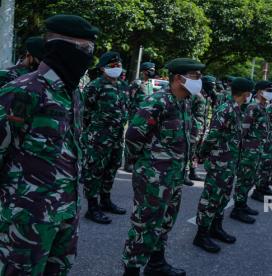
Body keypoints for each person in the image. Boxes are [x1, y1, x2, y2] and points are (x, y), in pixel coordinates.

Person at [0, 14, 98, 275]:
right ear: (60, 47)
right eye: (85, 49)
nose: (90, 57)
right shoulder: (23, 90)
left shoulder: (73, 93)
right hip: (26, 217)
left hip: (65, 212)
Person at [122, 58, 205, 276]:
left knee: (166, 221)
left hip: (174, 176)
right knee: (144, 225)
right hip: (153, 177)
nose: (200, 81)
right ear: (178, 78)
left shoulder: (184, 103)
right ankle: (131, 271)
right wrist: (144, 164)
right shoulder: (158, 102)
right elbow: (133, 136)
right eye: (196, 76)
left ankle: (156, 264)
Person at [193, 77, 253, 254]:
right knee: (211, 197)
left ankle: (216, 227)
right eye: (250, 93)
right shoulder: (226, 109)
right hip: (219, 161)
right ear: (245, 93)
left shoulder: (237, 108)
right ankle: (201, 234)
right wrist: (202, 154)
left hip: (229, 161)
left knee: (223, 196)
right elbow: (213, 135)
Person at [81, 51, 129, 224]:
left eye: (118, 65)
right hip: (98, 136)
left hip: (117, 136)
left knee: (112, 167)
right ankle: (92, 207)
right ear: (102, 68)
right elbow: (84, 113)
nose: (116, 68)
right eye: (112, 65)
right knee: (95, 170)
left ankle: (105, 200)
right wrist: (89, 133)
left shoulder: (123, 86)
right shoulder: (95, 86)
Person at [231, 80, 272, 224]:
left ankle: (242, 205)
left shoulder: (263, 107)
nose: (270, 92)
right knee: (243, 180)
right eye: (268, 90)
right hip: (249, 151)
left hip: (258, 151)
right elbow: (243, 130)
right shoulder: (252, 107)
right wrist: (242, 151)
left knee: (250, 179)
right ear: (260, 92)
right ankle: (237, 209)